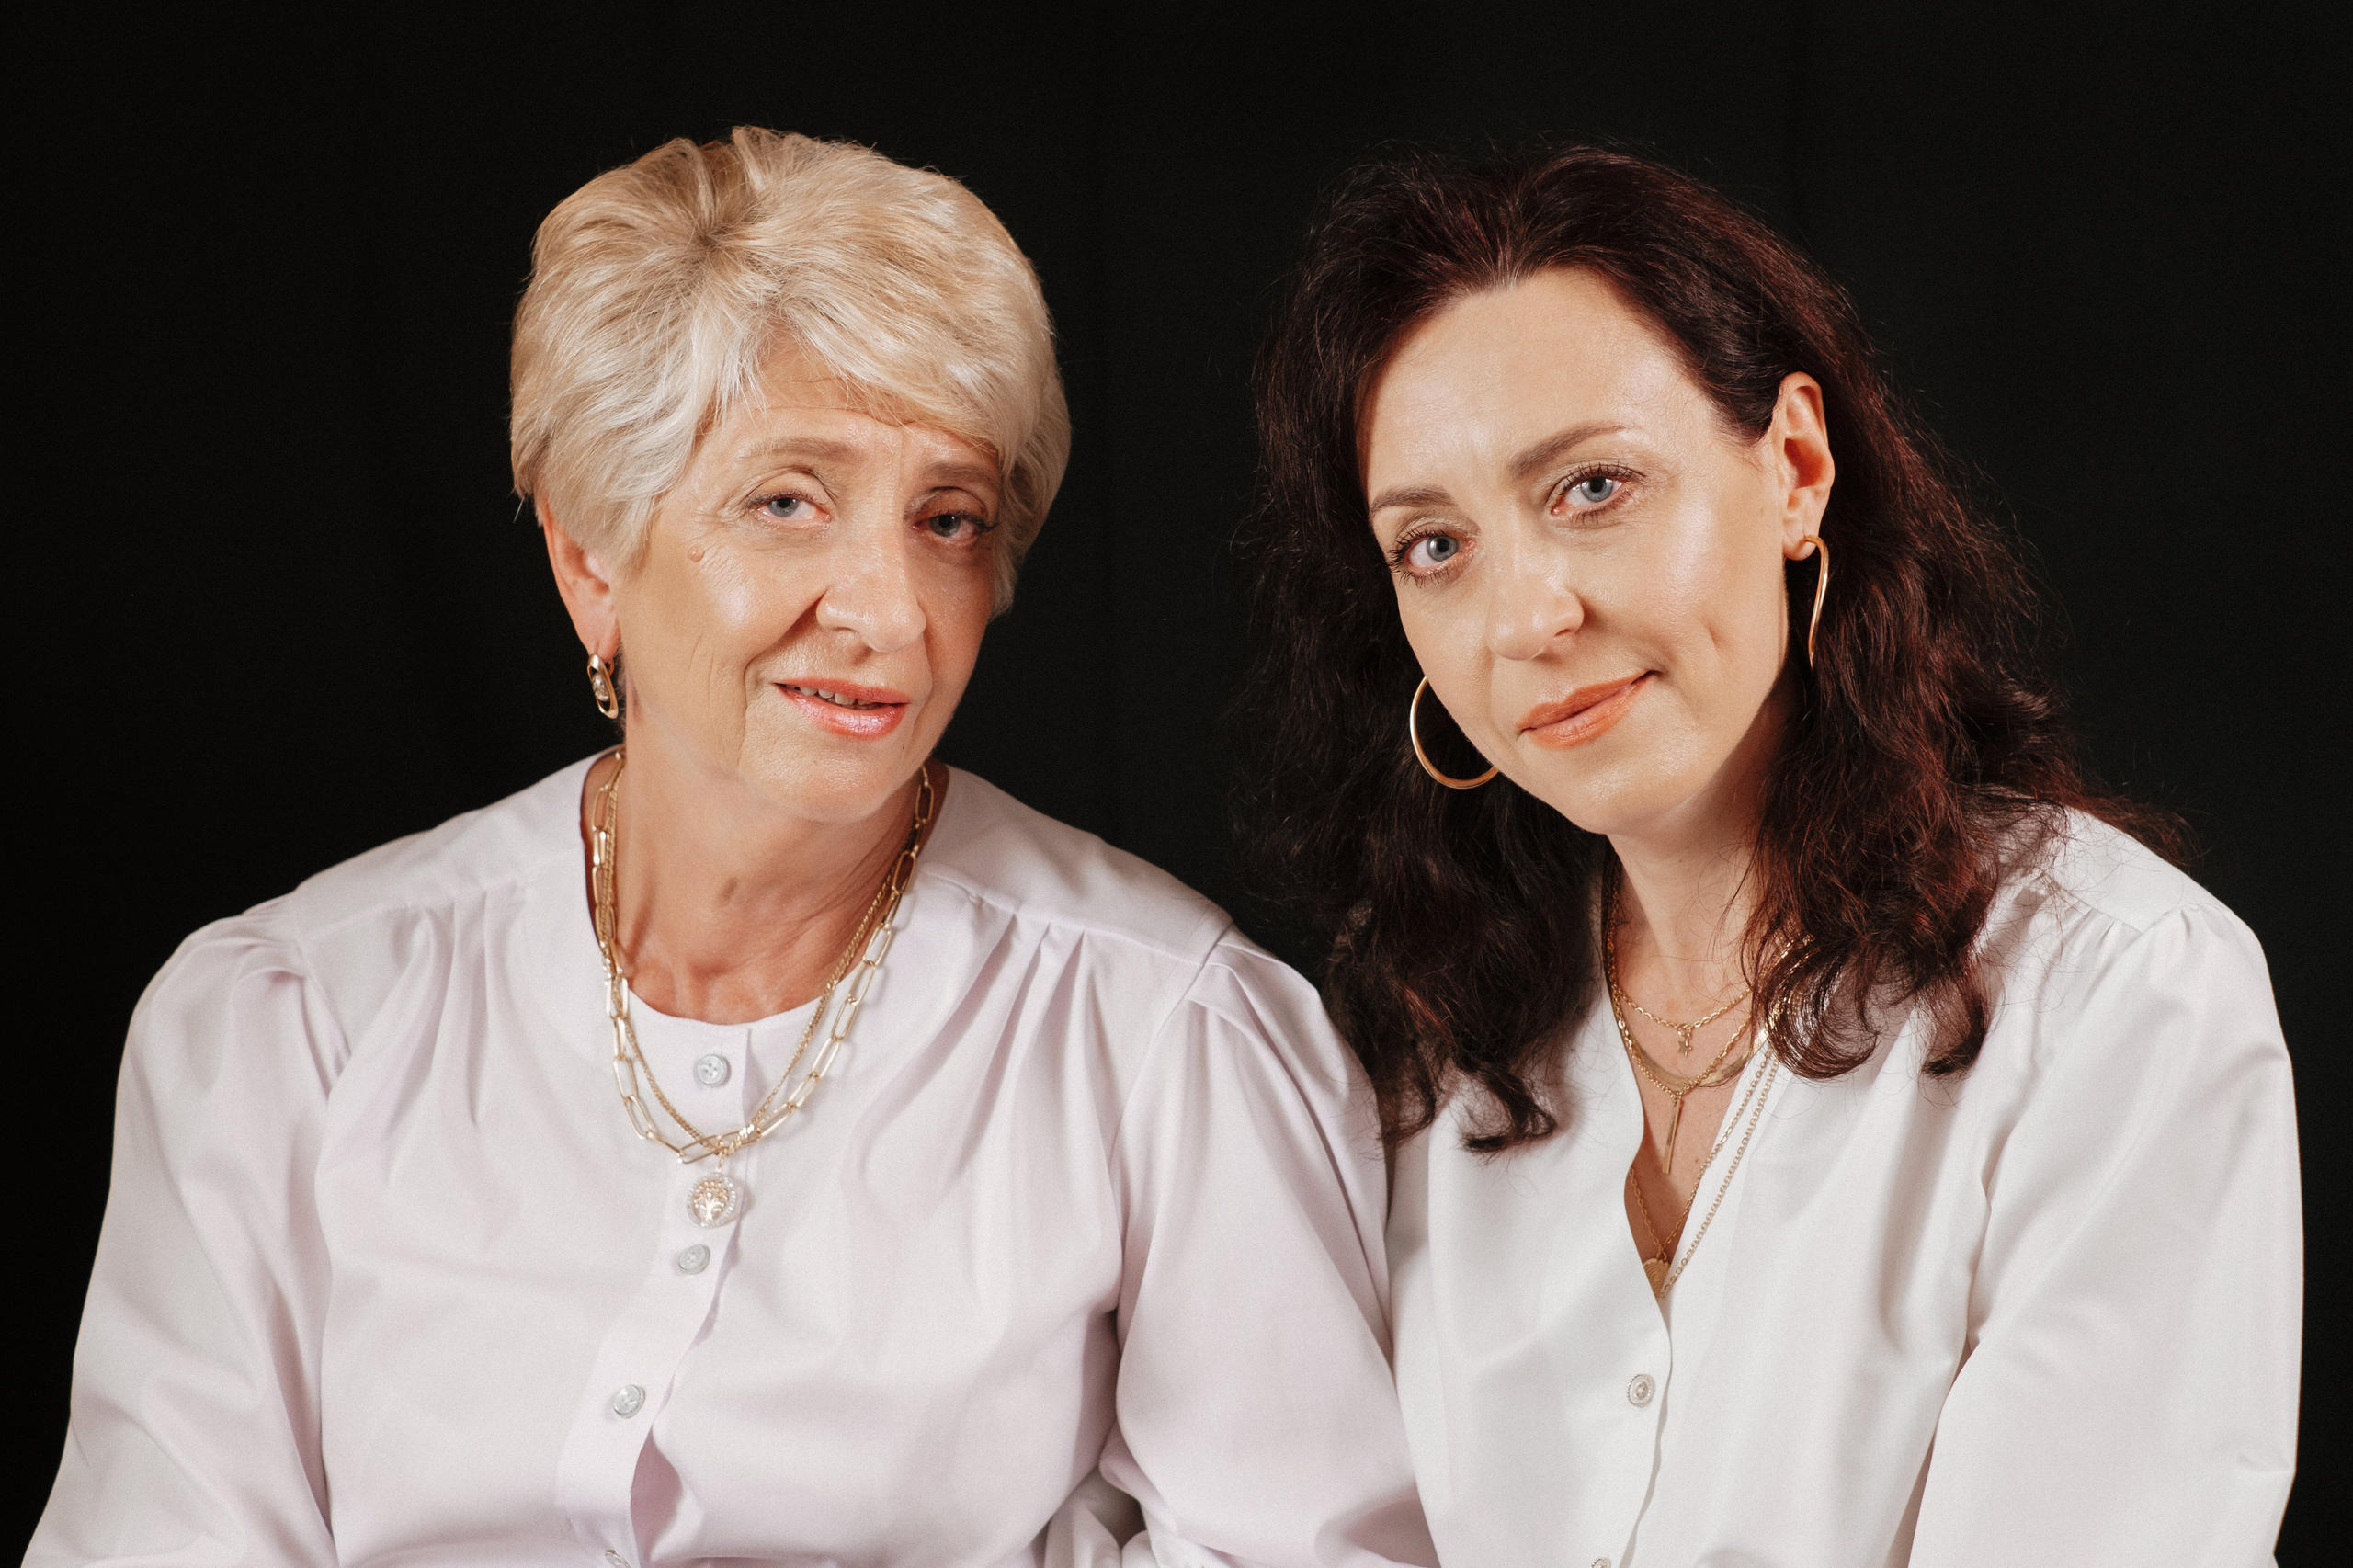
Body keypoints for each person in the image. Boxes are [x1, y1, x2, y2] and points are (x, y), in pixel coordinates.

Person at [34, 128, 1433, 1567]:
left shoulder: (1165, 1032)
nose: (891, 609)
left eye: (946, 518)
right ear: (593, 555)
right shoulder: (293, 1019)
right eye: (787, 500)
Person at [1235, 142, 2300, 1566]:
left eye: (1594, 488)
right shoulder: (1418, 1041)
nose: (1526, 616)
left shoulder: (2120, 998)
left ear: (1796, 467)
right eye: (1434, 545)